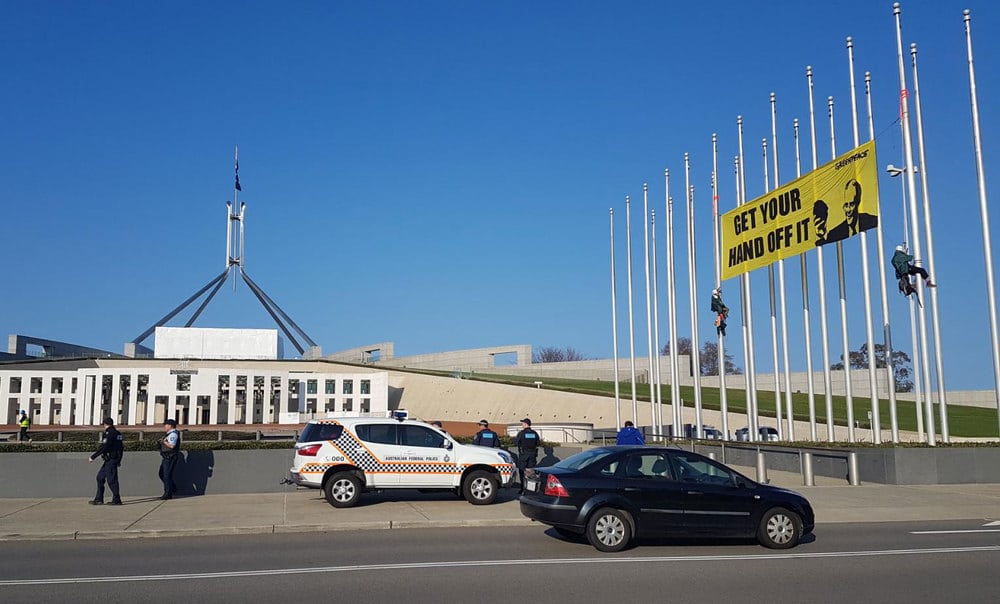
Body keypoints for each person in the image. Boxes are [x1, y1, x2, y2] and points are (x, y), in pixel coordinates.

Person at [88, 417, 124, 505]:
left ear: (105, 424)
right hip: (110, 460)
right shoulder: (117, 433)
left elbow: (104, 447)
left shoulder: (110, 434)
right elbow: (121, 448)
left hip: (111, 459)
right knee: (100, 477)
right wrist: (119, 459)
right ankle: (99, 499)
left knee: (112, 480)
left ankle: (117, 499)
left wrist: (93, 457)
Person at [158, 419, 182, 500]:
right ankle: (172, 488)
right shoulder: (169, 434)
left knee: (166, 475)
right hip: (166, 457)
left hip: (170, 457)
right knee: (162, 474)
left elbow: (172, 446)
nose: (165, 426)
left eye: (166, 425)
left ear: (170, 426)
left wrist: (164, 442)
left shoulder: (173, 434)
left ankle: (168, 493)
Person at [513, 418, 540, 487]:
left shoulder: (522, 433)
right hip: (533, 454)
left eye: (522, 423)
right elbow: (538, 443)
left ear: (525, 424)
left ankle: (523, 488)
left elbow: (516, 442)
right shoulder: (534, 433)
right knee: (531, 472)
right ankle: (531, 487)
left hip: (524, 455)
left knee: (522, 471)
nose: (522, 425)